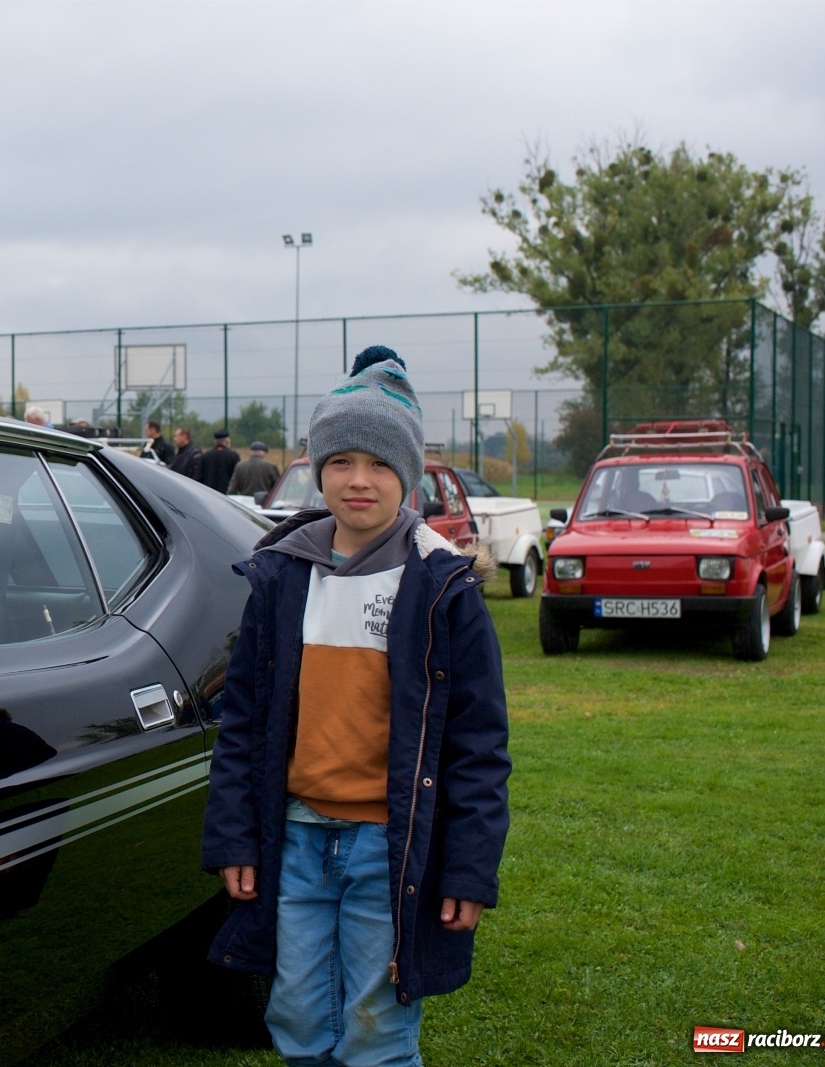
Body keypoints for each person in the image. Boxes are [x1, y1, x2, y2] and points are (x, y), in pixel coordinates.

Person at [201, 346, 510, 1067]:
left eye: (379, 463)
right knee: (298, 1019)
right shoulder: (281, 577)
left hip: (390, 848)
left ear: (409, 474)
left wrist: (469, 869)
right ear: (317, 469)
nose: (359, 480)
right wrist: (233, 838)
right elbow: (242, 723)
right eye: (340, 461)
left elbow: (478, 747)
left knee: (377, 1031)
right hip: (294, 841)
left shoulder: (444, 590)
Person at [200, 429, 241, 494]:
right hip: (227, 494)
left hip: (209, 493)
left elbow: (200, 476)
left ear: (215, 441)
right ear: (227, 441)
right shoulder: (233, 456)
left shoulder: (206, 456)